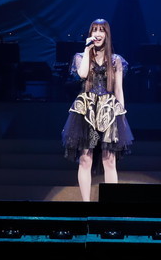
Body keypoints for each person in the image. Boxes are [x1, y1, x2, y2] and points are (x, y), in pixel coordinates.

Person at [61, 18, 133, 201]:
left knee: (109, 159)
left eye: (102, 30)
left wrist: (122, 115)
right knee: (86, 158)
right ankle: (86, 204)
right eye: (95, 30)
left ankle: (110, 204)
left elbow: (119, 90)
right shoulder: (80, 56)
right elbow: (82, 74)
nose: (98, 34)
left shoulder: (116, 60)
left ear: (107, 35)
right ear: (90, 34)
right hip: (86, 110)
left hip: (109, 110)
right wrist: (87, 49)